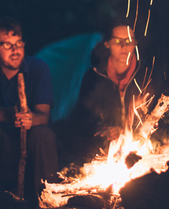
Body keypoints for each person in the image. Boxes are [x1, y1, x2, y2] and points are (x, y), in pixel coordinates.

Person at [0, 17, 58, 202]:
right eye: (6, 45)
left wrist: (30, 119)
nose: (15, 50)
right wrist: (9, 114)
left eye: (18, 43)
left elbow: (43, 116)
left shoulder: (38, 68)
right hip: (2, 144)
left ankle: (48, 203)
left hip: (31, 141)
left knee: (43, 133)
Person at [64, 19, 150, 164]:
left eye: (129, 40)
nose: (124, 46)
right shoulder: (94, 77)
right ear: (107, 43)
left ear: (135, 43)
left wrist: (135, 132)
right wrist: (104, 129)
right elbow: (82, 118)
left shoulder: (148, 75)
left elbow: (161, 114)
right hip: (104, 150)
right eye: (117, 41)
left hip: (141, 147)